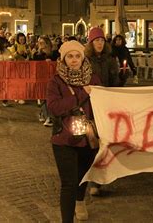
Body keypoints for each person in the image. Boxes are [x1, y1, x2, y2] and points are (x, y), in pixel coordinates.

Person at [46, 40, 101, 222]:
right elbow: (54, 107)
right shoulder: (56, 81)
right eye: (70, 56)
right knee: (68, 183)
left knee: (83, 176)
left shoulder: (93, 79)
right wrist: (81, 94)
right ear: (63, 59)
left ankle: (80, 200)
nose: (74, 60)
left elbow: (103, 104)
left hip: (89, 137)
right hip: (64, 140)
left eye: (78, 56)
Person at [85, 27, 120, 196]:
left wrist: (121, 77)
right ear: (91, 43)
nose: (99, 43)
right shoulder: (86, 60)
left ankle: (98, 179)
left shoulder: (110, 60)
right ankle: (91, 177)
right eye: (96, 40)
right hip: (90, 106)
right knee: (92, 142)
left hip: (107, 106)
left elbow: (115, 84)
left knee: (105, 142)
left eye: (101, 40)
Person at [32, 36, 60, 126]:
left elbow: (58, 62)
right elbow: (34, 64)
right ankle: (48, 117)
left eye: (42, 43)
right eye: (39, 43)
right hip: (41, 78)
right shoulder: (37, 54)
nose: (40, 45)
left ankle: (44, 113)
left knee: (50, 98)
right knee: (43, 97)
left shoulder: (54, 53)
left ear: (47, 43)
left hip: (52, 79)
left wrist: (51, 61)